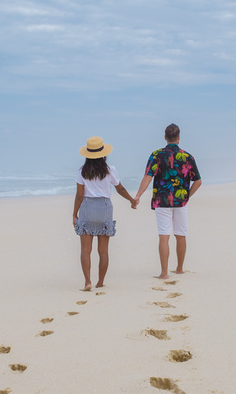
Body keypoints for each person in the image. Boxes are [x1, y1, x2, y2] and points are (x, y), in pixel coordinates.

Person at [134, 124, 202, 279]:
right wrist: (186, 196)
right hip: (180, 202)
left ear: (165, 137)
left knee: (164, 236)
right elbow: (198, 181)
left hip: (161, 201)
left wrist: (138, 195)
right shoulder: (187, 157)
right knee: (181, 235)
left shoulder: (156, 155)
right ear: (179, 137)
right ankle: (179, 269)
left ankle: (164, 273)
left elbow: (148, 176)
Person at [73, 136, 136, 291]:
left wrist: (74, 214)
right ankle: (100, 282)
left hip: (87, 208)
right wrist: (131, 200)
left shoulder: (82, 171)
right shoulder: (110, 170)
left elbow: (80, 195)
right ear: (103, 153)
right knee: (103, 251)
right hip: (105, 208)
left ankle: (87, 282)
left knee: (86, 250)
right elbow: (119, 189)